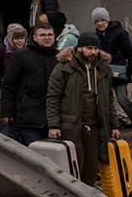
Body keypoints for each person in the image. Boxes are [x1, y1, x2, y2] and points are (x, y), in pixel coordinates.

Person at [46, 31, 120, 186]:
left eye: (95, 48)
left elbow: (109, 99)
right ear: (79, 48)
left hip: (96, 128)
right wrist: (53, 125)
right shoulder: (64, 68)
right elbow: (53, 97)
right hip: (72, 126)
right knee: (72, 167)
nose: (93, 52)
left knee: (91, 169)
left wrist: (114, 125)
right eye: (89, 48)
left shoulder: (103, 69)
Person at [1, 23, 58, 145]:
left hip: (53, 119)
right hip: (28, 118)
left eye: (50, 35)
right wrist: (7, 112)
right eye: (42, 35)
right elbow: (9, 85)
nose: (47, 38)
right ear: (35, 37)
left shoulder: (59, 57)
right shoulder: (21, 55)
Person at [93, 7, 132, 140]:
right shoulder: (96, 35)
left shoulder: (120, 33)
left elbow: (130, 54)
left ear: (107, 20)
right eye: (97, 21)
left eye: (102, 20)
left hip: (119, 72)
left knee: (122, 99)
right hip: (103, 72)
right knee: (104, 101)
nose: (100, 23)